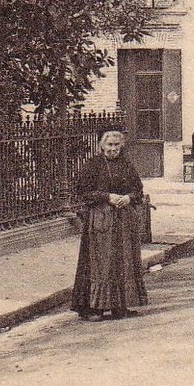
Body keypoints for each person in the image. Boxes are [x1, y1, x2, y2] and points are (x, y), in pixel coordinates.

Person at [71, 129, 148, 321]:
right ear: (101, 146)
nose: (113, 149)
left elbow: (138, 190)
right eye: (109, 145)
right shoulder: (93, 165)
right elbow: (83, 192)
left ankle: (119, 307)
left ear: (121, 146)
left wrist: (128, 198)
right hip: (100, 221)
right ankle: (94, 308)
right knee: (100, 264)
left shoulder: (126, 165)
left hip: (123, 222)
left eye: (116, 145)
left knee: (122, 262)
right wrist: (107, 197)